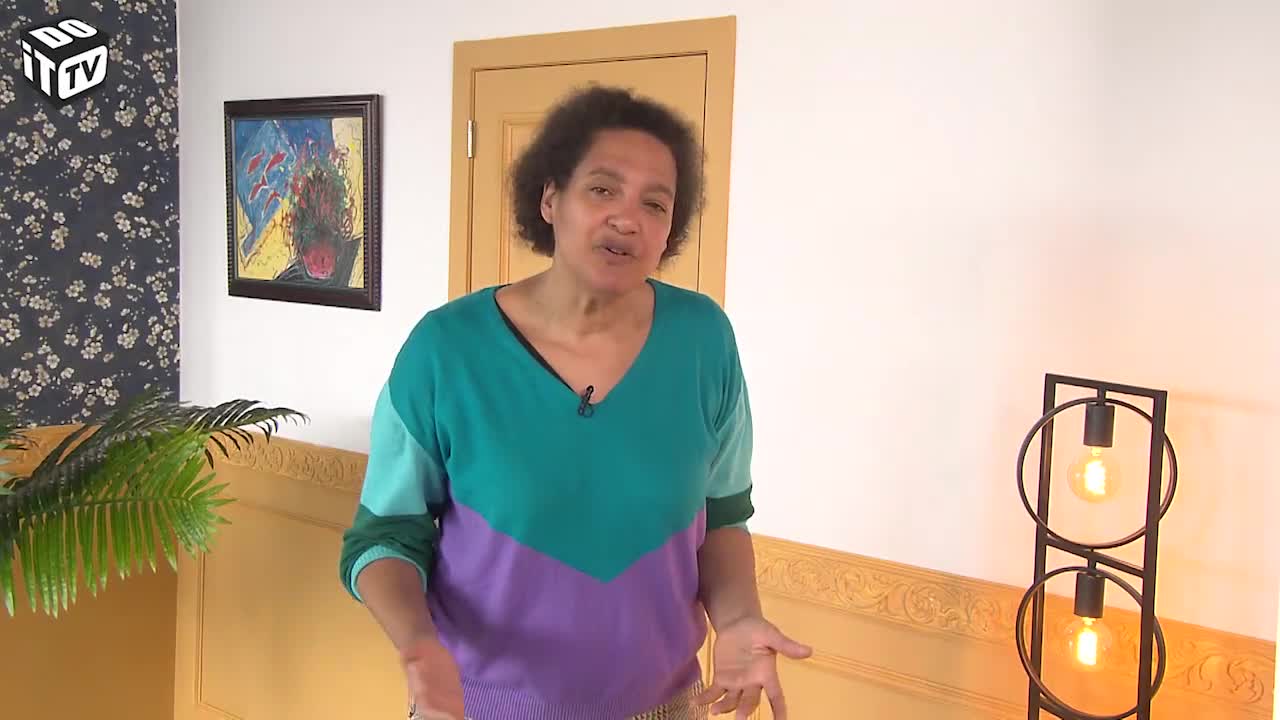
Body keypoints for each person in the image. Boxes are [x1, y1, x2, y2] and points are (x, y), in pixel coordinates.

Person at [338, 84, 811, 720]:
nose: (627, 218)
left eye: (655, 204)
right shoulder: (447, 349)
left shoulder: (704, 341)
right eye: (602, 189)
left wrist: (740, 617)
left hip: (664, 707)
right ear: (550, 198)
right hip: (477, 708)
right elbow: (385, 536)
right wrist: (418, 647)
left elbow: (722, 518)